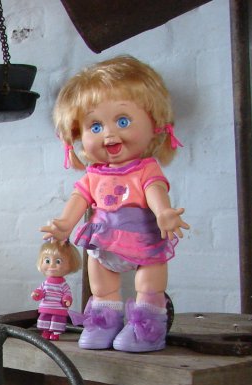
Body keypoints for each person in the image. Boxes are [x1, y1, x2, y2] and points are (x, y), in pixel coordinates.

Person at [41, 55, 189, 352]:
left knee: (148, 283)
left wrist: (164, 213)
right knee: (101, 281)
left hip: (143, 237)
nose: (109, 134)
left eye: (123, 121)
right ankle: (104, 323)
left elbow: (155, 189)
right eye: (95, 126)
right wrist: (65, 224)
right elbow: (79, 198)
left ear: (154, 124)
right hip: (104, 240)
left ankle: (148, 328)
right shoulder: (94, 175)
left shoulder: (145, 169)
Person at [31, 240, 81, 341]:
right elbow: (41, 291)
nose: (52, 265)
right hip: (46, 307)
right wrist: (37, 294)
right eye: (47, 261)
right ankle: (45, 331)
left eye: (58, 261)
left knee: (57, 321)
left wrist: (67, 300)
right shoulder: (45, 283)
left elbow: (67, 294)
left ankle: (55, 333)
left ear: (70, 265)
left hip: (58, 308)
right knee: (44, 319)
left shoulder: (63, 285)